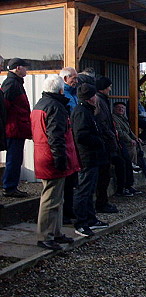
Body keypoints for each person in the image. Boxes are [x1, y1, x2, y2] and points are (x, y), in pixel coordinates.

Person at [31, 75, 80, 250]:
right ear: (60, 89)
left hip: (43, 155)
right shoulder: (56, 107)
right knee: (51, 199)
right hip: (52, 158)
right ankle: (45, 235)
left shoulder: (40, 104)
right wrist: (61, 160)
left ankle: (56, 232)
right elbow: (56, 136)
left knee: (56, 198)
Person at [71, 83, 109, 237]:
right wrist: (98, 140)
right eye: (93, 96)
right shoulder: (81, 112)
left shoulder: (87, 110)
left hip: (93, 156)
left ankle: (90, 219)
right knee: (84, 190)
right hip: (86, 156)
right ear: (89, 98)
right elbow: (81, 135)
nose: (96, 98)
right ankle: (80, 223)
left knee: (90, 189)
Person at [1, 58, 32, 198]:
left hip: (17, 128)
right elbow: (4, 106)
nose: (26, 70)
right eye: (25, 67)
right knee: (14, 159)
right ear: (18, 68)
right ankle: (9, 187)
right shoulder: (12, 84)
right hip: (14, 129)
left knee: (15, 159)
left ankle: (11, 185)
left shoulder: (15, 83)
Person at [93, 77, 121, 213]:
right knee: (103, 176)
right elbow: (101, 122)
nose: (110, 89)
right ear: (103, 87)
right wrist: (110, 135)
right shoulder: (99, 101)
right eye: (109, 86)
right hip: (104, 144)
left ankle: (103, 201)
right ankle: (101, 203)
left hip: (106, 142)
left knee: (105, 175)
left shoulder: (102, 100)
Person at [59, 66, 79, 223]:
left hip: (74, 139)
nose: (76, 81)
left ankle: (70, 209)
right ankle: (64, 213)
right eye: (73, 78)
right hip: (68, 138)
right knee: (67, 179)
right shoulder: (63, 96)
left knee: (72, 177)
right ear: (65, 79)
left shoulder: (74, 95)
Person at [112, 102, 143, 196]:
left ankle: (129, 185)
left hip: (125, 142)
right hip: (120, 143)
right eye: (119, 107)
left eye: (123, 108)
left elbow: (129, 131)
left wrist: (135, 138)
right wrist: (130, 140)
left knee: (129, 161)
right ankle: (123, 187)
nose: (121, 109)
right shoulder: (114, 118)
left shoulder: (123, 118)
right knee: (125, 163)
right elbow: (120, 133)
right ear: (114, 108)